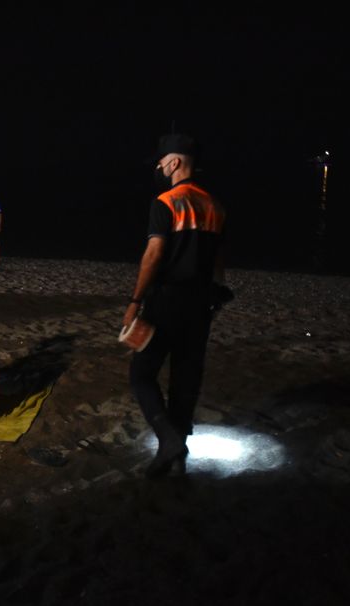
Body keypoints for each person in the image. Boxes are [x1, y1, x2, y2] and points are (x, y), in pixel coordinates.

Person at [123, 133, 226, 478]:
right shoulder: (214, 205)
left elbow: (153, 255)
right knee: (184, 380)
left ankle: (169, 441)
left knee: (141, 375)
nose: (159, 167)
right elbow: (217, 262)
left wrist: (135, 300)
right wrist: (216, 294)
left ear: (176, 162)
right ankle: (177, 462)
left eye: (162, 161)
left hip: (167, 300)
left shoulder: (166, 202)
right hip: (201, 306)